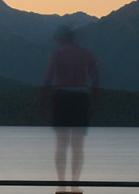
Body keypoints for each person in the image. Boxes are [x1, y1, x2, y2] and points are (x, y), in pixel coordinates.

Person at [42, 25, 100, 182]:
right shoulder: (87, 54)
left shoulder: (57, 55)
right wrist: (93, 103)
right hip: (81, 97)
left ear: (61, 39)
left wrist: (43, 103)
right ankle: (74, 181)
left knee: (61, 144)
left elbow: (48, 80)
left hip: (61, 97)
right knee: (78, 145)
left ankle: (61, 182)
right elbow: (95, 81)